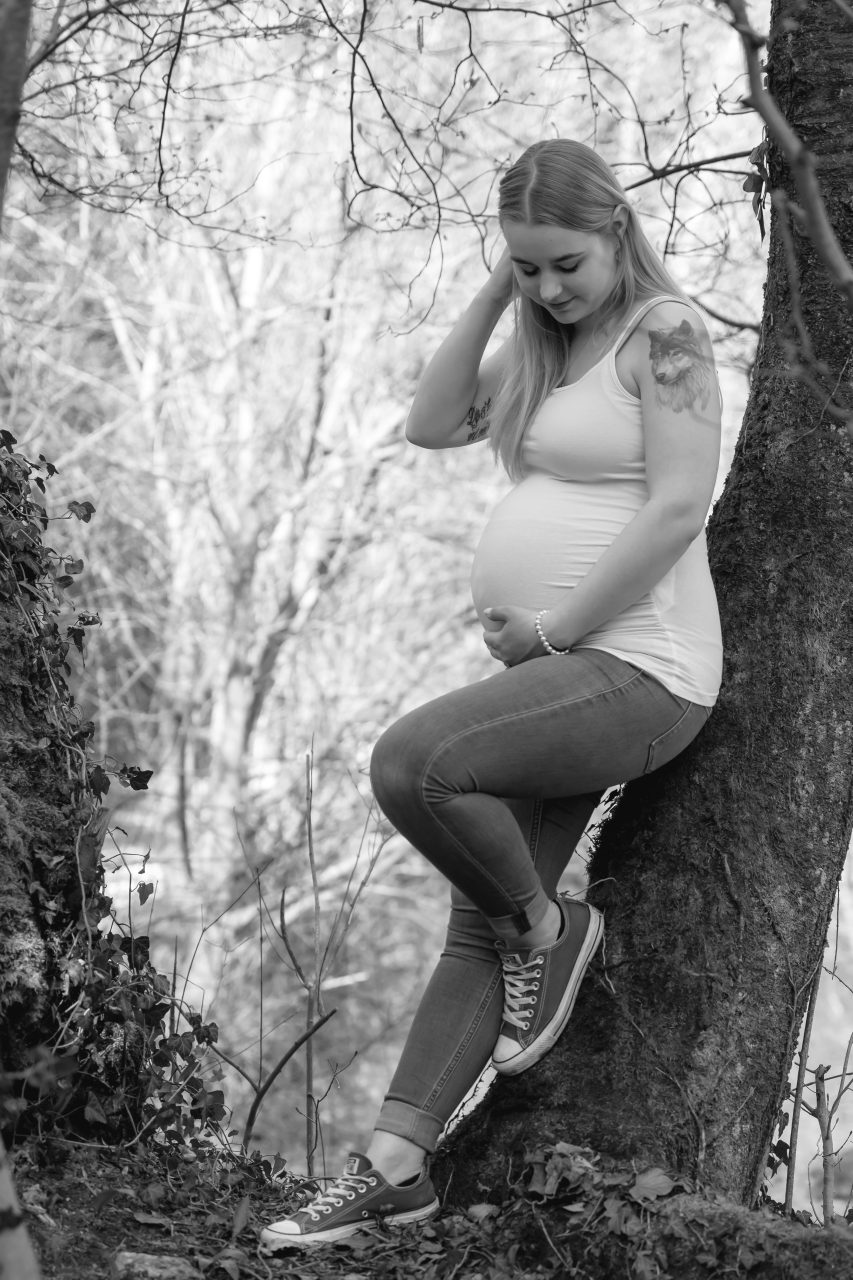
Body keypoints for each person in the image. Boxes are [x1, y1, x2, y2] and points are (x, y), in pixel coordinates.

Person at [261, 138, 722, 1250]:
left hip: (643, 669)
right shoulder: (545, 351)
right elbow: (428, 423)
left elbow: (676, 506)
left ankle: (550, 928)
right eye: (527, 266)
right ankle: (396, 1165)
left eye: (566, 263)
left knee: (414, 764)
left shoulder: (667, 335)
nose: (549, 287)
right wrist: (497, 292)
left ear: (615, 231)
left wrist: (554, 628)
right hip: (562, 675)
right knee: (482, 920)